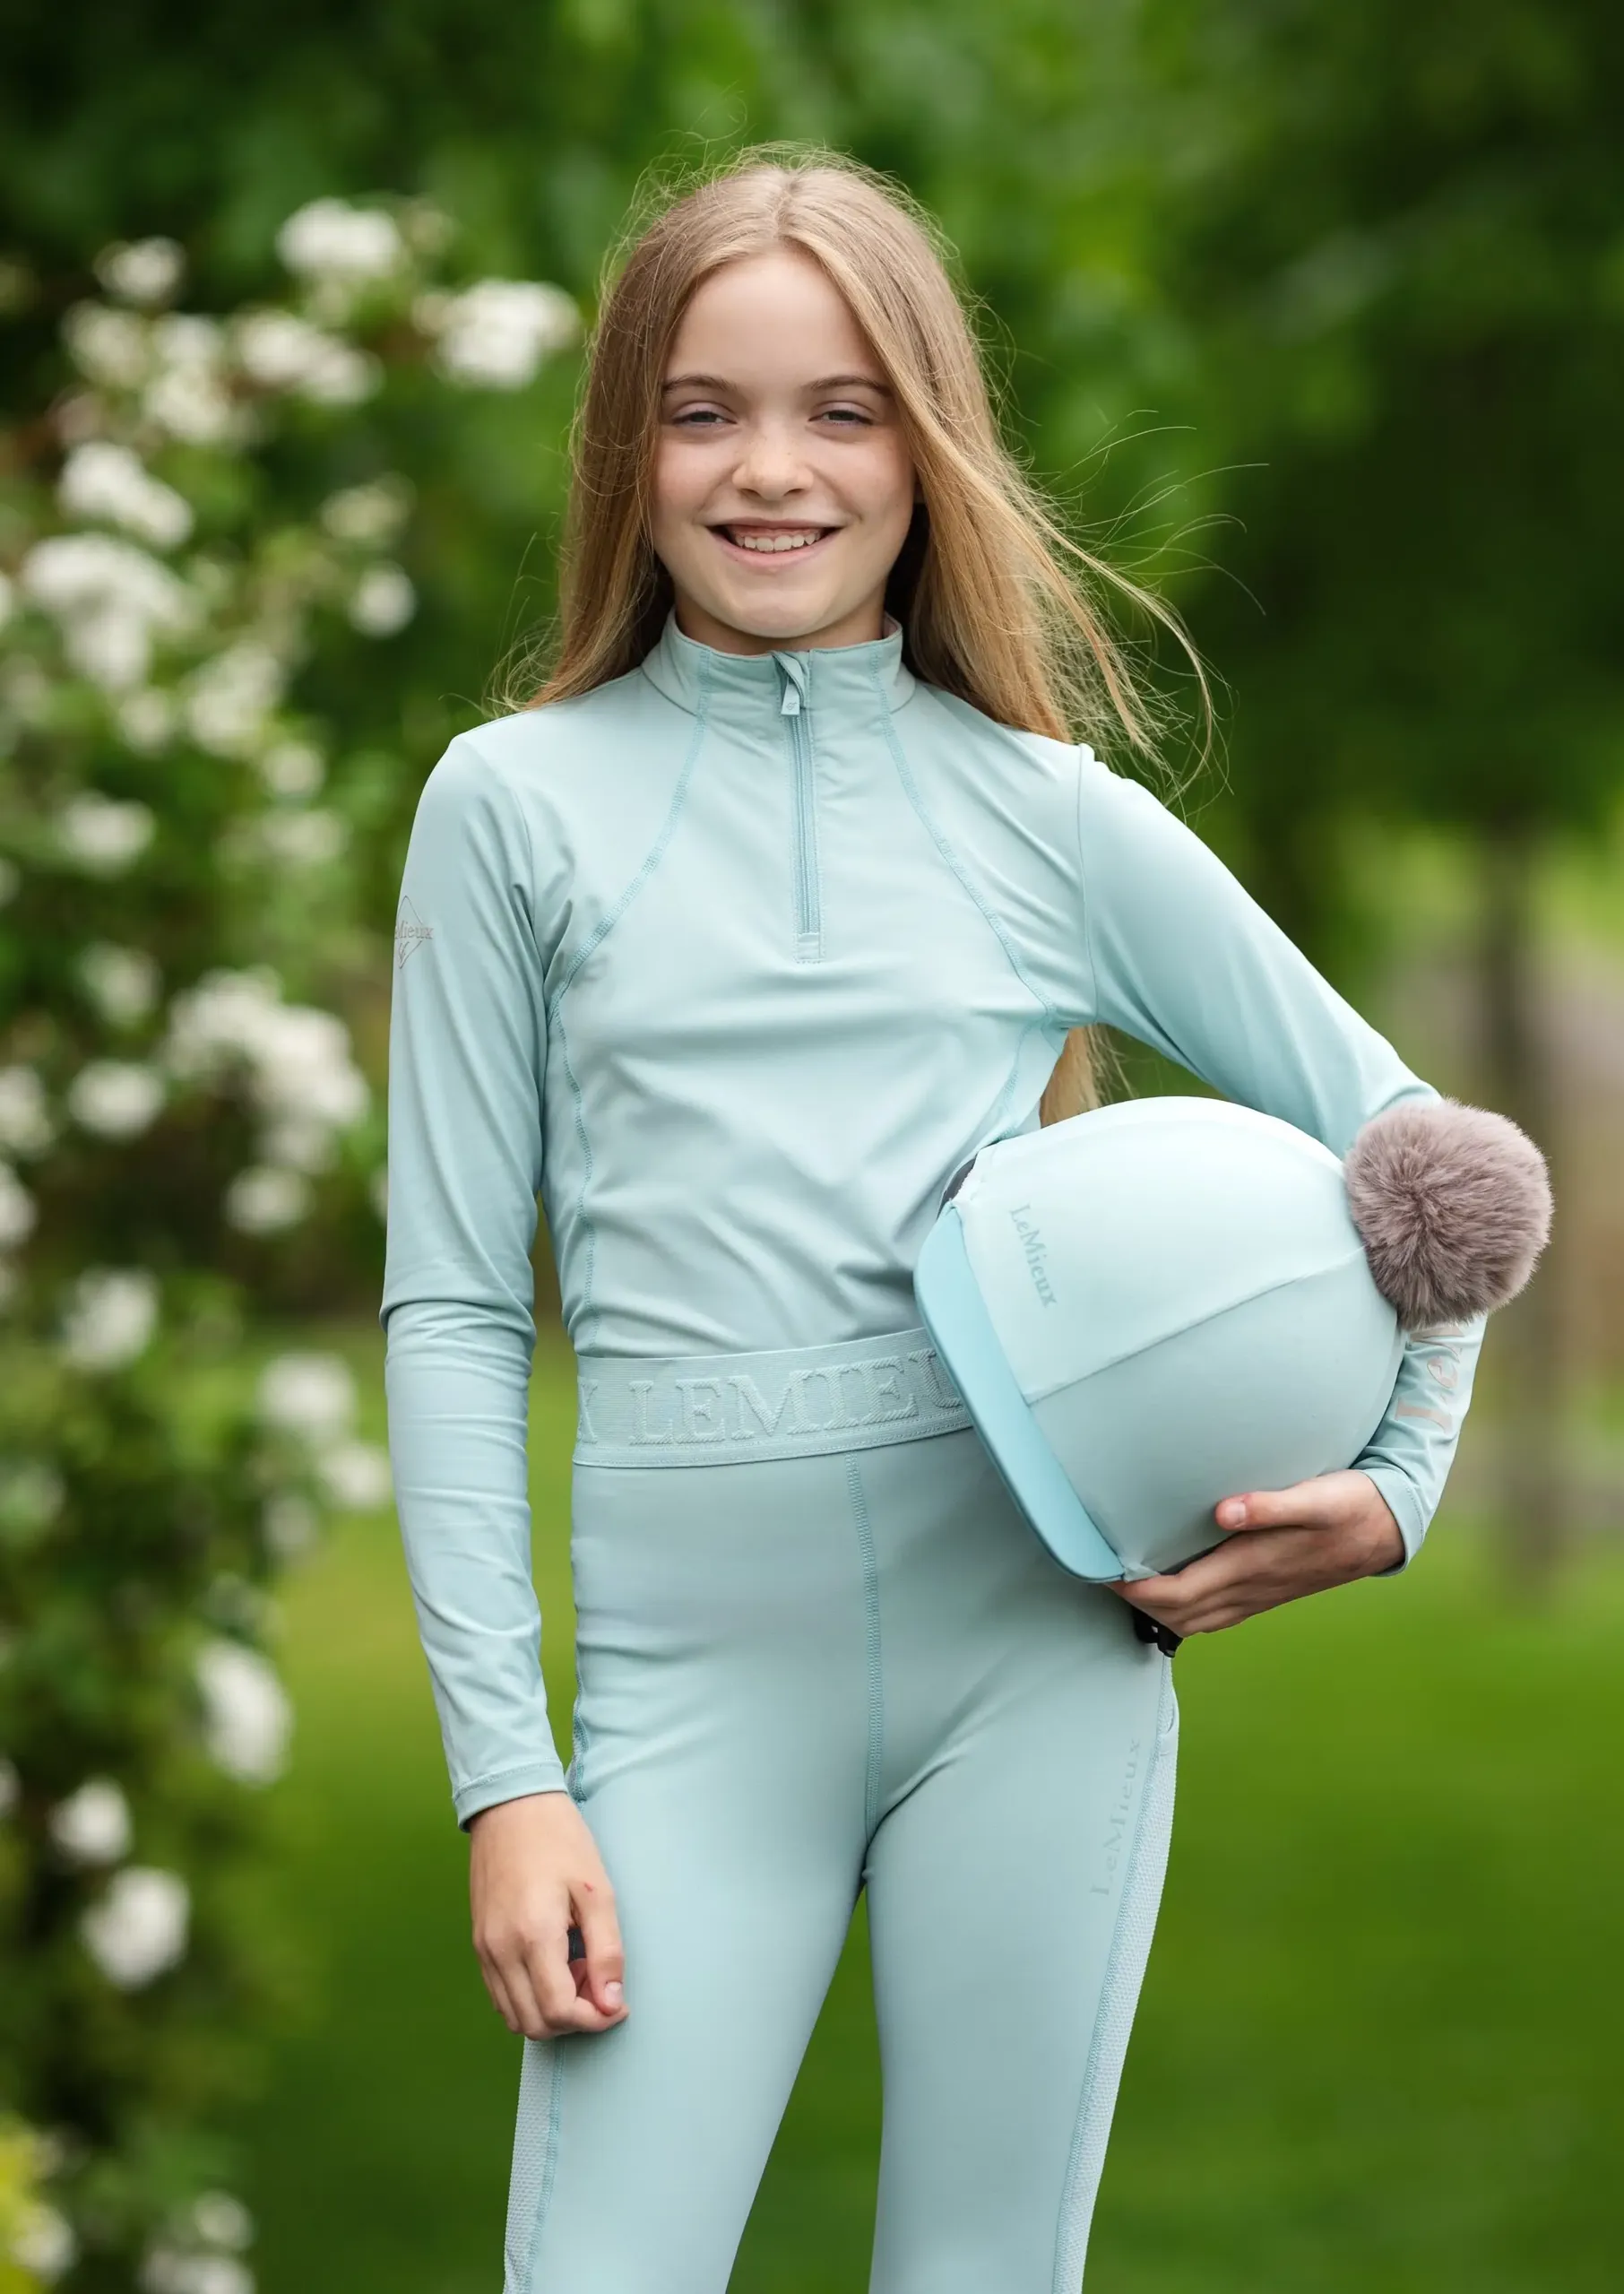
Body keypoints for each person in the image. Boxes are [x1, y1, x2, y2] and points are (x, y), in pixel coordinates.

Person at [380, 145, 1487, 2294]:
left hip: (1043, 1674)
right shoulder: (510, 807)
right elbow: (447, 1305)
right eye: (703, 410)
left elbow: (1417, 1150)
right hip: (689, 1702)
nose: (770, 469)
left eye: (842, 410)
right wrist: (507, 1781)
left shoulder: (1045, 817)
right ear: (624, 448)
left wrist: (1401, 1482)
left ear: (925, 447)